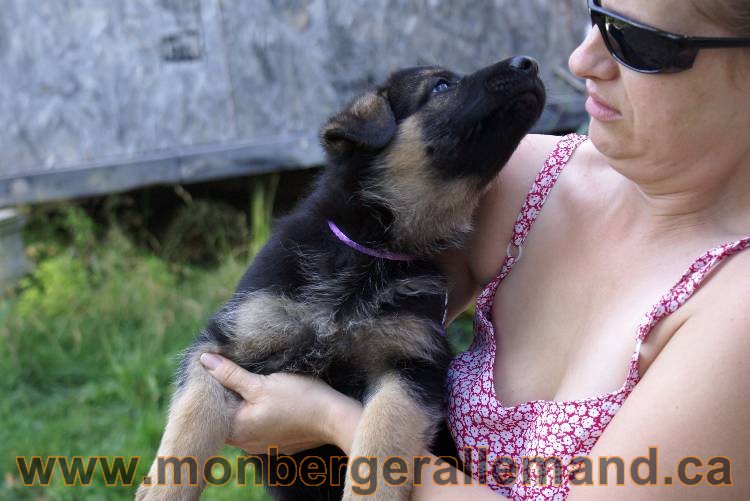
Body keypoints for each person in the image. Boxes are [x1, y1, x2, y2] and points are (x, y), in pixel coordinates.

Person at [197, 0, 750, 498]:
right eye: (596, 16)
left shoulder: (735, 311)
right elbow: (278, 338)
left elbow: (320, 410)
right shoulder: (524, 182)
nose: (583, 61)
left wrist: (331, 421)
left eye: (639, 43)